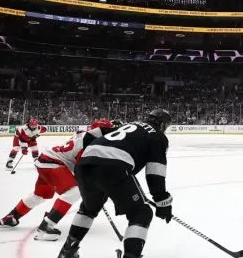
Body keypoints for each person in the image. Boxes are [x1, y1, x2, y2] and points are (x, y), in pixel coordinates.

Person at [55, 110, 173, 258]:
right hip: (114, 168)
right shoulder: (158, 136)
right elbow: (155, 172)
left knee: (88, 209)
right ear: (163, 124)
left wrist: (92, 156)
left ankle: (68, 251)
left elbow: (90, 135)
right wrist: (162, 201)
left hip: (85, 165)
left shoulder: (127, 125)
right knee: (141, 213)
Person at [0, 119, 114, 240]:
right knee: (74, 191)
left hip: (46, 160)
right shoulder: (91, 143)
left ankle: (11, 217)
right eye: (106, 131)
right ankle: (45, 228)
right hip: (53, 163)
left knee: (39, 195)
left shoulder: (84, 134)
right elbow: (81, 170)